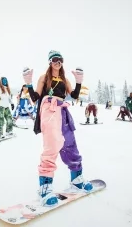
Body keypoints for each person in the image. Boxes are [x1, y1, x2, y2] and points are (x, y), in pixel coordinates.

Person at [22, 50, 93, 207]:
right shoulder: (44, 78)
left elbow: (73, 96)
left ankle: (76, 179)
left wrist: (79, 81)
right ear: (49, 61)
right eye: (55, 59)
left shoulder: (64, 79)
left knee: (70, 144)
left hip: (63, 111)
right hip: (49, 111)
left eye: (60, 59)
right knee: (52, 146)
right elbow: (35, 98)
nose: (58, 62)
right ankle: (45, 188)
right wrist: (29, 83)